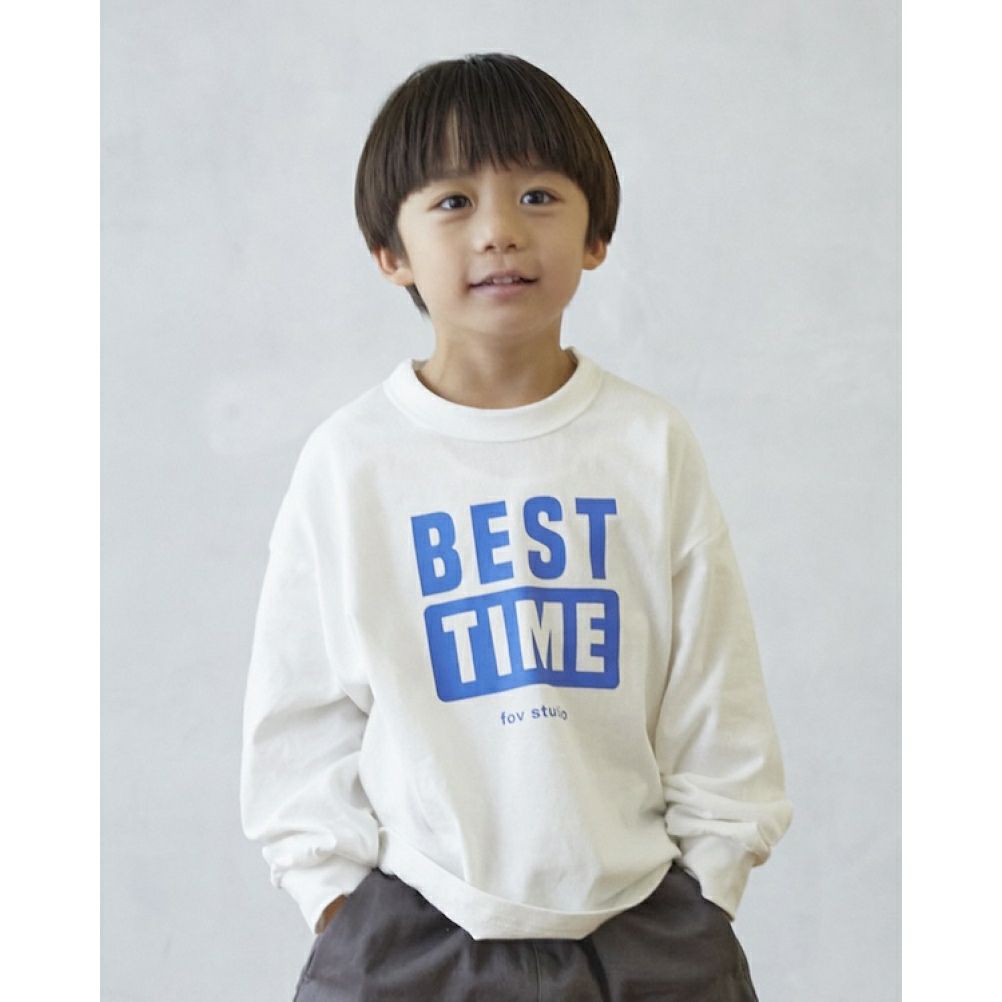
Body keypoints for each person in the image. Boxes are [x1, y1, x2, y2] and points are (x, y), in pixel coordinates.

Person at [240, 52, 793, 1002]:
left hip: (646, 933)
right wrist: (334, 898)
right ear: (390, 252)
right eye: (453, 202)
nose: (499, 230)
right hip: (412, 933)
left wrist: (710, 886)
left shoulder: (647, 444)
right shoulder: (352, 461)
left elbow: (716, 687)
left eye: (538, 195)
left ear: (595, 235)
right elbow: (300, 711)